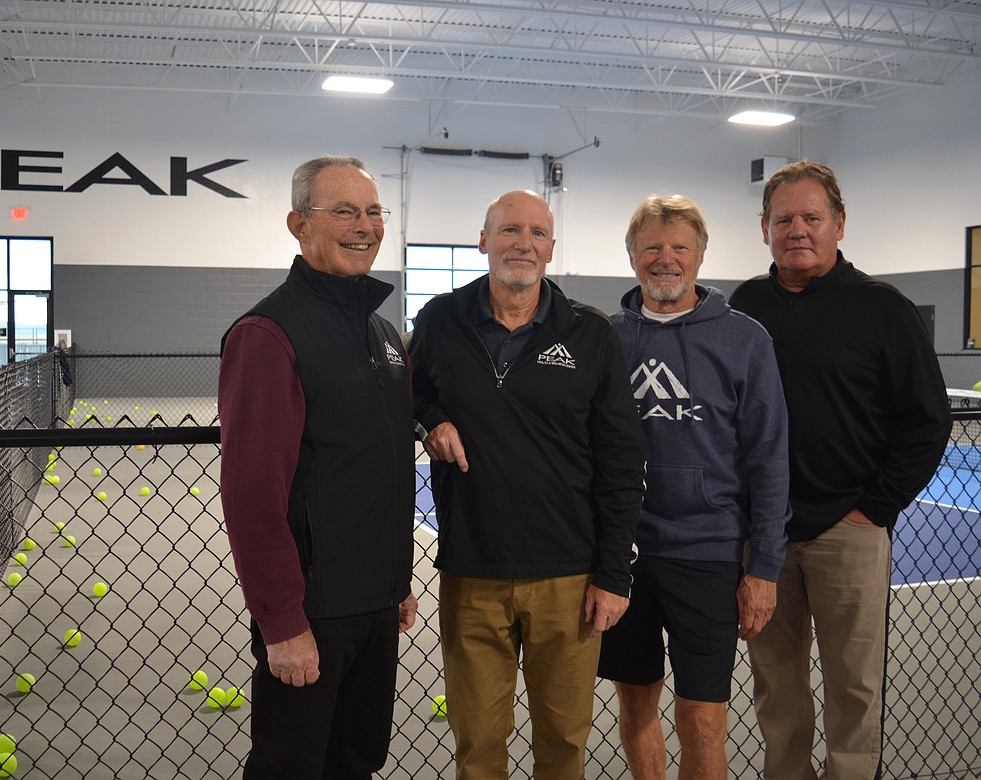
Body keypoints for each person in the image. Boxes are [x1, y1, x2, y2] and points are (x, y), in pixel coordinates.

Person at [408, 189, 647, 780]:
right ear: (484, 240)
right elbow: (410, 393)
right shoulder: (440, 320)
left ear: (551, 248)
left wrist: (614, 575)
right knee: (478, 745)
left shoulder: (590, 334)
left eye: (538, 233)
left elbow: (621, 460)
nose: (524, 243)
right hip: (472, 574)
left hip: (569, 577)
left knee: (564, 745)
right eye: (510, 230)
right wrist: (431, 420)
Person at [730, 160, 952, 779]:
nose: (797, 229)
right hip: (763, 539)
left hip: (848, 532)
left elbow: (928, 421)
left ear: (839, 224)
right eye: (783, 219)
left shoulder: (884, 309)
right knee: (777, 688)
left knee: (854, 688)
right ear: (764, 229)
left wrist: (873, 509)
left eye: (811, 217)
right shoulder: (743, 306)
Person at [218, 155, 418, 780]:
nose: (365, 226)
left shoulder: (381, 331)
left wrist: (398, 579)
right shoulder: (268, 334)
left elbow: (385, 464)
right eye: (344, 212)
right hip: (312, 612)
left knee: (356, 761)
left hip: (377, 603)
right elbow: (253, 496)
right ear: (298, 224)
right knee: (292, 766)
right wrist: (281, 622)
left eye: (373, 211)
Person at [598, 195, 791, 779]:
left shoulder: (745, 339)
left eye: (679, 247)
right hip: (623, 558)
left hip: (707, 556)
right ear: (631, 255)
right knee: (635, 705)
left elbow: (769, 456)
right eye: (651, 246)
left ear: (700, 255)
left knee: (704, 721)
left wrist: (765, 569)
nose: (665, 259)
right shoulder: (604, 339)